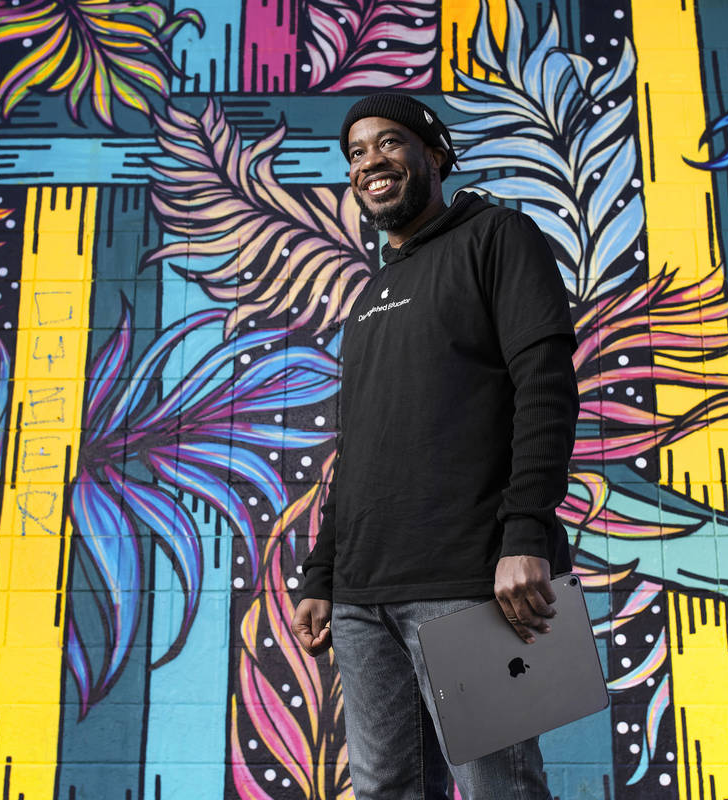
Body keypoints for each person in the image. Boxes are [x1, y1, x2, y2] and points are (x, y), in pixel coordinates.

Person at [291, 93, 578, 799]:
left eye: (389, 142)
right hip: (363, 599)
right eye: (356, 152)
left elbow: (544, 388)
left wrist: (526, 534)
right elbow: (359, 448)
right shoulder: (371, 296)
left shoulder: (499, 236)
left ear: (435, 155)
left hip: (472, 582)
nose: (370, 161)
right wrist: (324, 574)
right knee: (385, 789)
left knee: (498, 789)